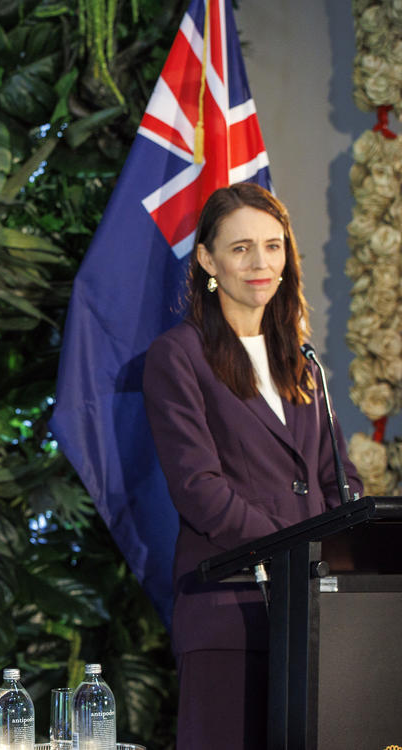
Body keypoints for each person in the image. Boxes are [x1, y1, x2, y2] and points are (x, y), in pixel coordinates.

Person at [142, 183, 362, 749]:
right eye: (240, 249)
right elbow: (199, 489)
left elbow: (339, 479)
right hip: (228, 614)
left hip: (315, 617)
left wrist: (346, 549)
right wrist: (300, 548)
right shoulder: (178, 356)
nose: (260, 263)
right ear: (208, 260)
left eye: (272, 246)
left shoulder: (302, 360)